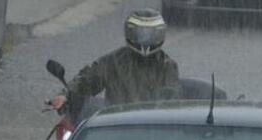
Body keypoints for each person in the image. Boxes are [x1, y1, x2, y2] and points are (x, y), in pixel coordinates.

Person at [50, 8, 180, 117]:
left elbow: (169, 100)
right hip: (114, 124)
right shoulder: (113, 61)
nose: (145, 40)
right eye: (140, 34)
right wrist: (66, 95)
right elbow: (88, 78)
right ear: (130, 32)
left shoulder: (167, 65)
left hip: (150, 127)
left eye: (151, 35)